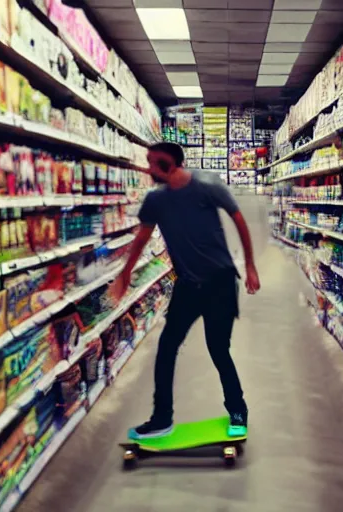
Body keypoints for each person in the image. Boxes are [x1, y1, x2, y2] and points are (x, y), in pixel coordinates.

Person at [111, 142, 260, 439]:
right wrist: (125, 272)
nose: (149, 168)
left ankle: (238, 411)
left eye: (154, 163)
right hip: (187, 287)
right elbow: (142, 238)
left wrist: (251, 266)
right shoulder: (155, 200)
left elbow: (238, 219)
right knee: (166, 348)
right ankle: (161, 418)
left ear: (170, 163)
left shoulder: (207, 185)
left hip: (220, 283)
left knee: (218, 350)